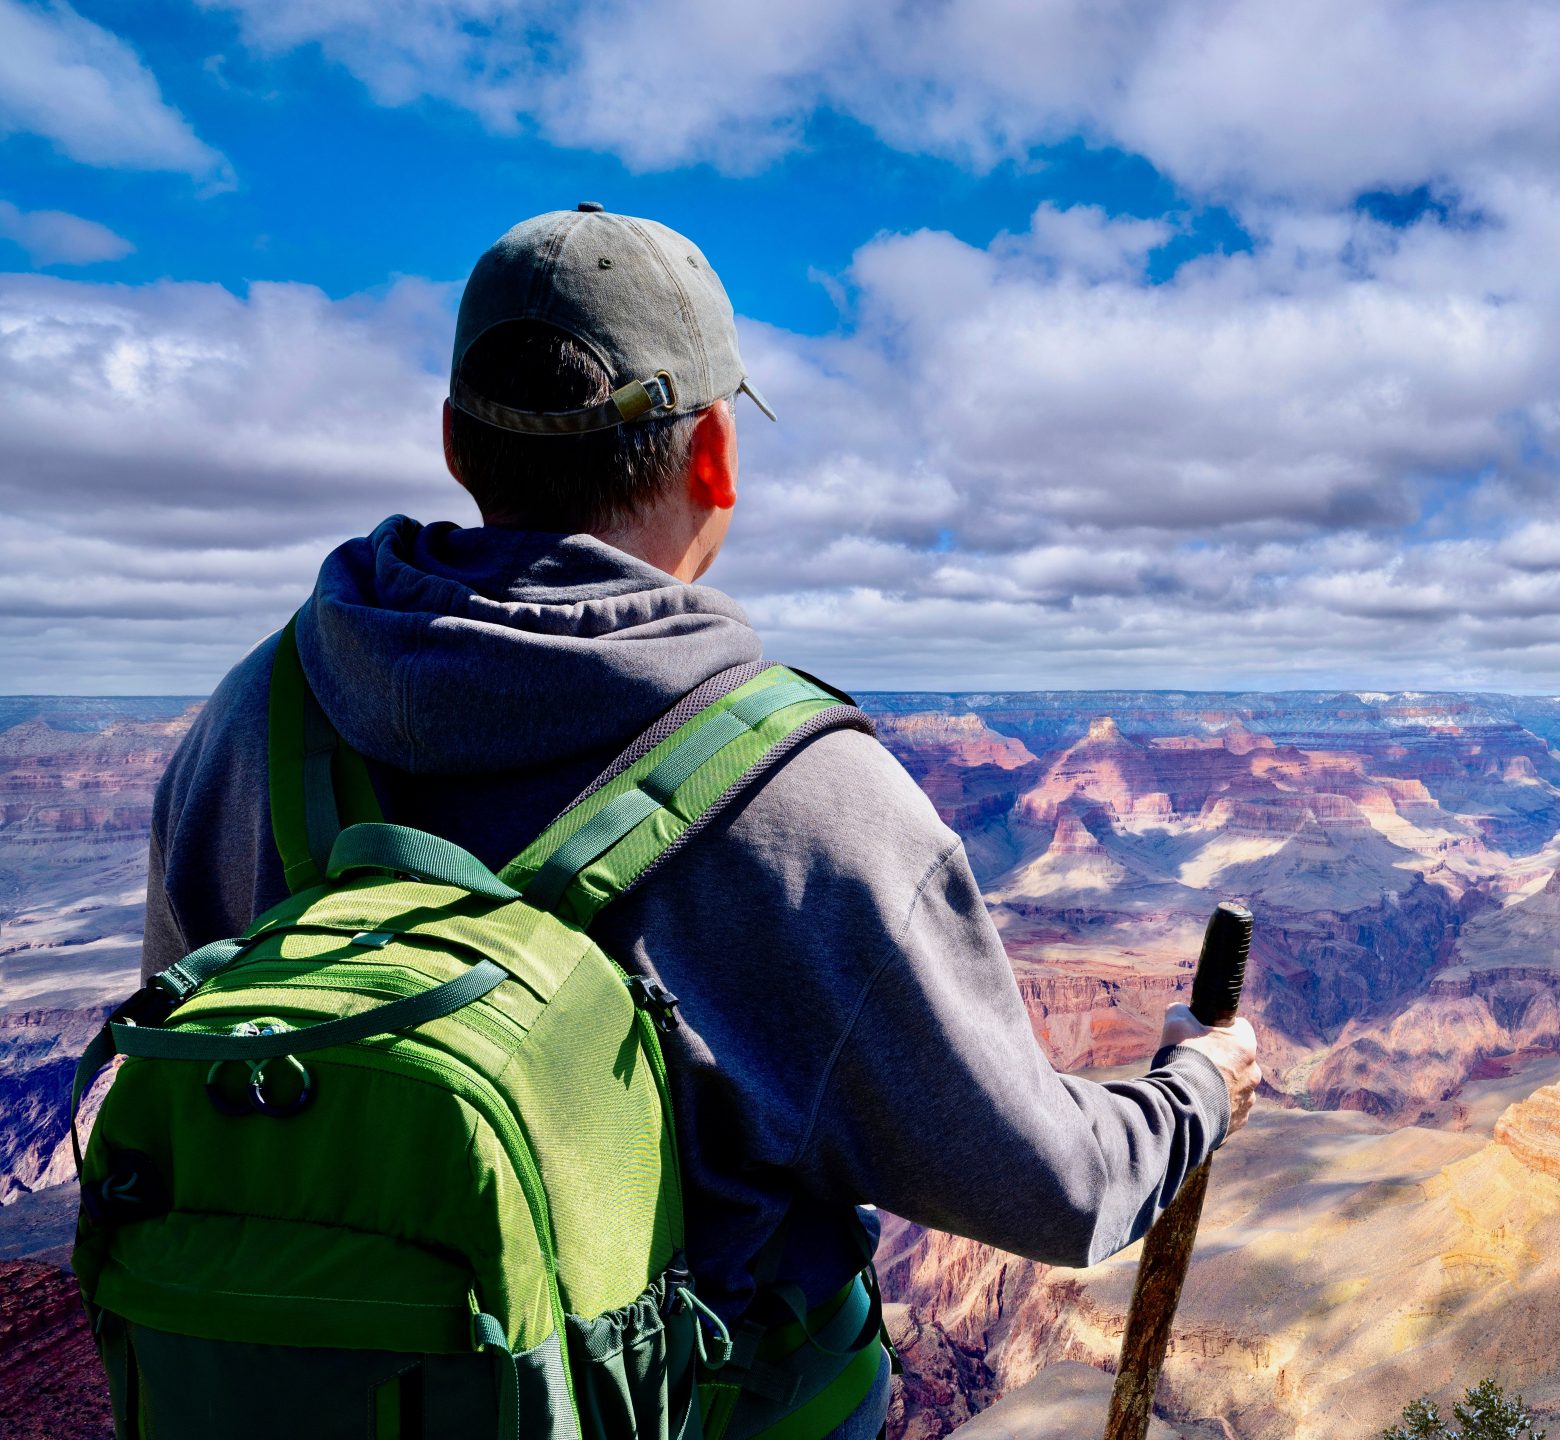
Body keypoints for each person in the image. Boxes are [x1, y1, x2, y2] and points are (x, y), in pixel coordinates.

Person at [140, 203, 1260, 1438]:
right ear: (715, 453)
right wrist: (1196, 1086)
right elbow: (1058, 1187)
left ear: (455, 443)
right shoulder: (804, 800)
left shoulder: (253, 724)